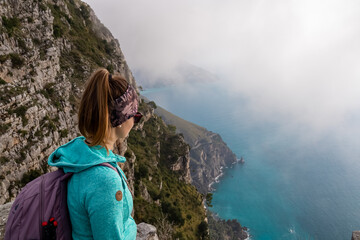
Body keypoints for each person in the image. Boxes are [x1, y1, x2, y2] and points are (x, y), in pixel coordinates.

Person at [48, 68, 142, 239]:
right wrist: (132, 228)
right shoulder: (105, 181)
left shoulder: (81, 153)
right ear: (120, 120)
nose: (136, 120)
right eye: (134, 115)